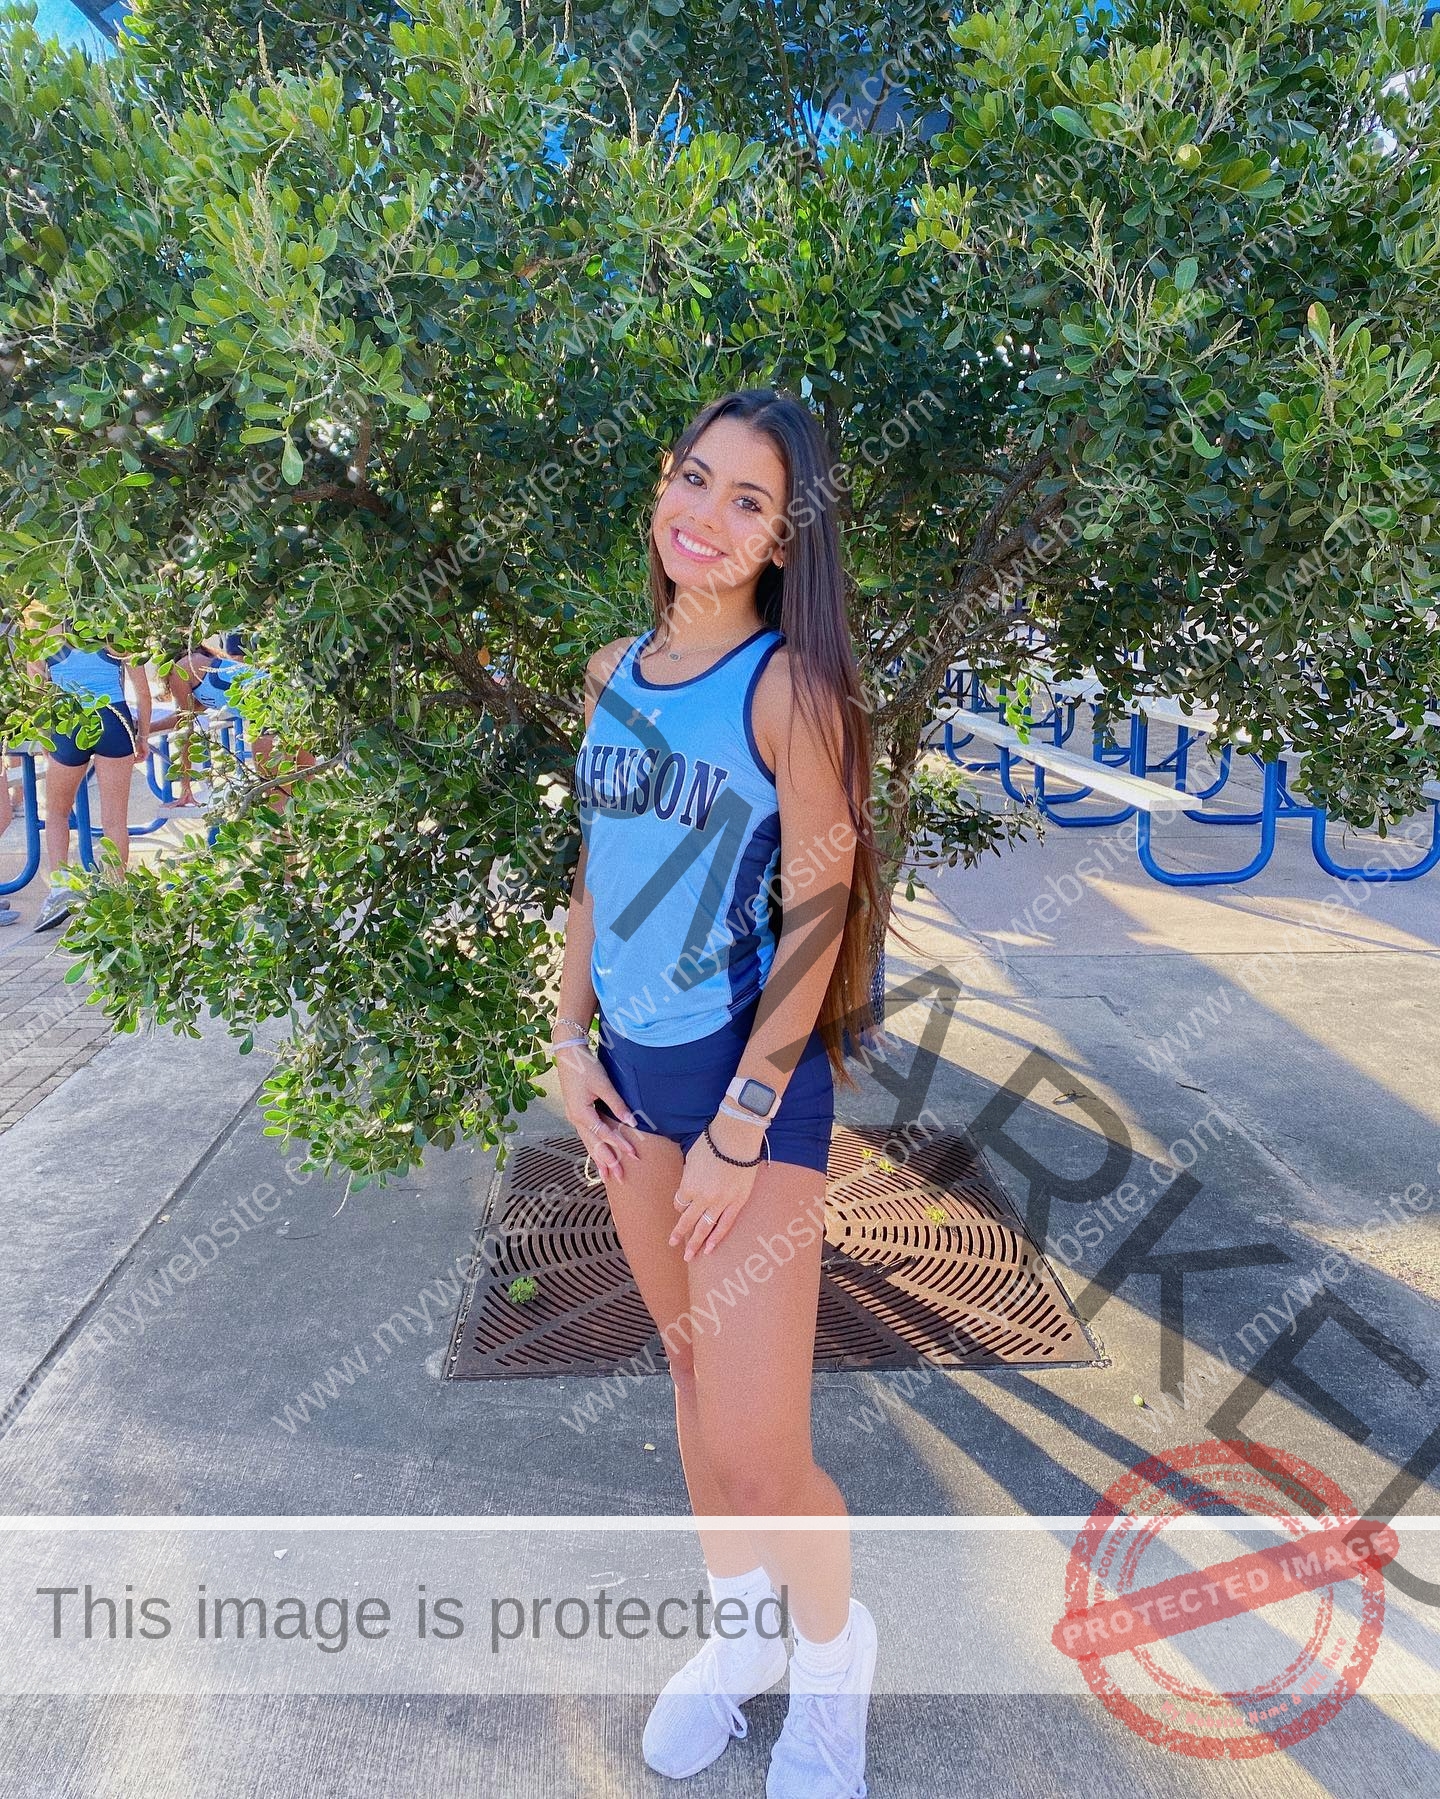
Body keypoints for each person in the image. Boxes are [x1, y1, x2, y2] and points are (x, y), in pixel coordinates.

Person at [552, 388, 888, 1796]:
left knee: (763, 1445)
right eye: (696, 479)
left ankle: (833, 1656)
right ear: (660, 489)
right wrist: (566, 1041)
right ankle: (742, 1633)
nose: (708, 513)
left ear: (780, 542)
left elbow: (820, 911)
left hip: (751, 1090)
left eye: (750, 501)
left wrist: (743, 1120)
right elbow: (596, 867)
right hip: (631, 1084)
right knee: (694, 1381)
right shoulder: (608, 667)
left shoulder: (788, 689)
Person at [29, 639, 151, 933]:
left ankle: (60, 888)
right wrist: (142, 736)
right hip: (114, 720)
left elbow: (36, 696)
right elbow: (144, 695)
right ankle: (116, 895)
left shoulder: (44, 637)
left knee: (57, 812)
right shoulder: (118, 637)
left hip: (68, 724)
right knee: (114, 822)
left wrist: (46, 735)